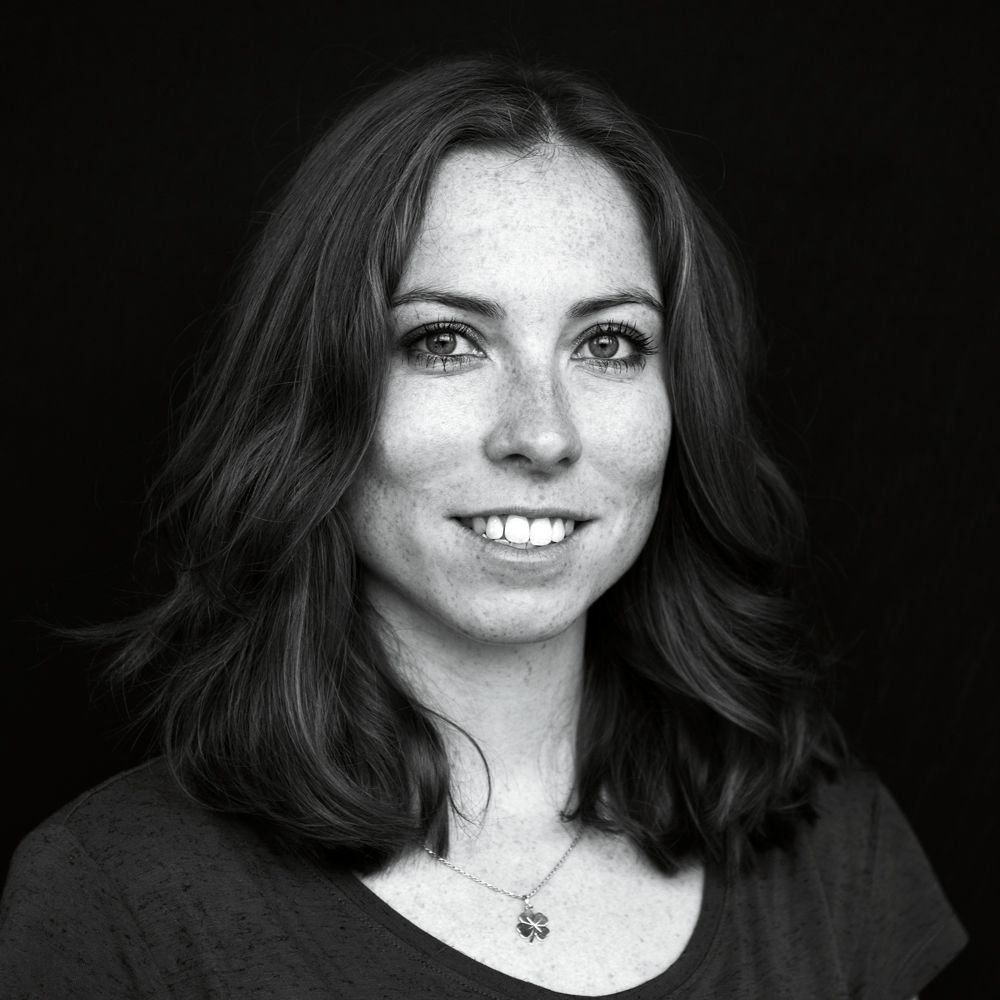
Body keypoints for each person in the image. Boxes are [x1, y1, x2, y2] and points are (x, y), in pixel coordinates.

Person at [0, 55, 966, 998]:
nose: (541, 434)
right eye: (445, 341)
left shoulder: (838, 853)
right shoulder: (114, 899)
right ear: (315, 396)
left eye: (608, 343)